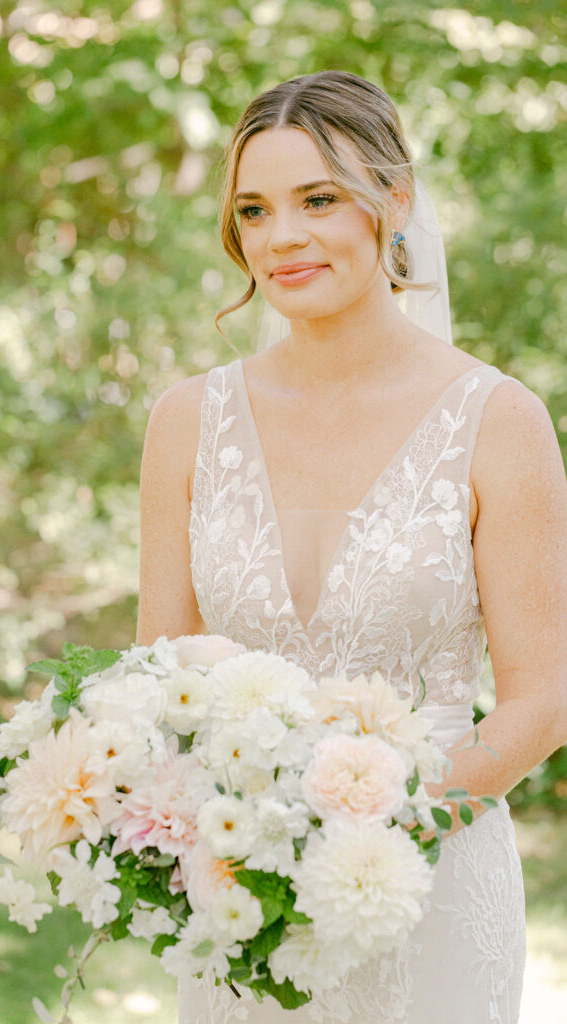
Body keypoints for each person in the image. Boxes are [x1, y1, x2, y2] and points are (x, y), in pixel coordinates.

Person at [136, 70, 567, 1023]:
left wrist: (368, 832)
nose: (280, 236)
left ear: (393, 199)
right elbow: (154, 673)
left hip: (430, 889)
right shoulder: (185, 422)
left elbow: (540, 701)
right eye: (254, 209)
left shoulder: (497, 420)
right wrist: (227, 841)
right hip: (241, 893)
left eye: (317, 199)